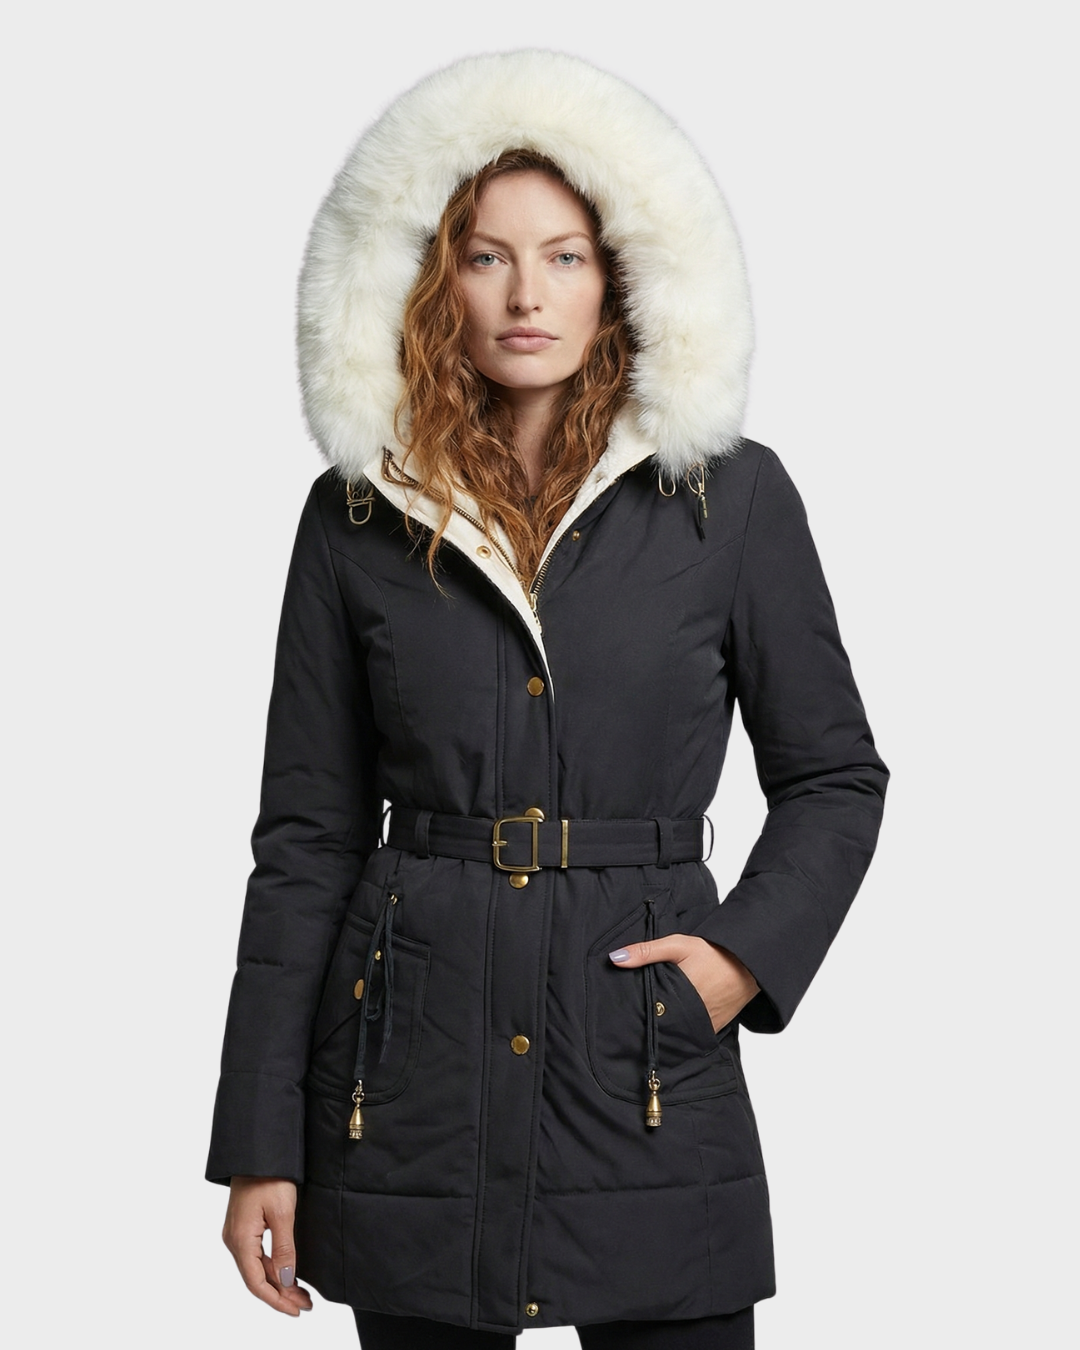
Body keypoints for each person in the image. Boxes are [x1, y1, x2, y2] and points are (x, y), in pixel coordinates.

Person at [206, 49, 889, 1349]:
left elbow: (835, 777)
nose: (526, 294)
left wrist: (739, 962)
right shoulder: (356, 514)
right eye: (486, 256)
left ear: (622, 277)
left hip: (643, 1064)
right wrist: (259, 1141)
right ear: (431, 282)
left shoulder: (730, 497)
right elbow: (305, 839)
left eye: (564, 255)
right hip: (410, 1083)